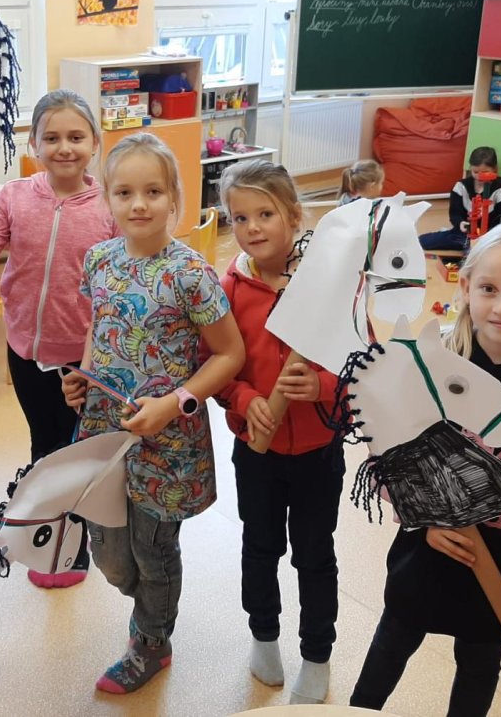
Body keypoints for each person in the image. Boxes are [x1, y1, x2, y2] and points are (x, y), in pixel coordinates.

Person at [350, 221, 501, 716]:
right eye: (488, 289)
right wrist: (424, 517)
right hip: (425, 555)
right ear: (464, 287)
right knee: (391, 644)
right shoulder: (429, 366)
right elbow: (388, 453)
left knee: (479, 665)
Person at [62, 133, 244, 694]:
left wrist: (174, 403)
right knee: (112, 554)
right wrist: (84, 375)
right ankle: (149, 609)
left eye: (153, 192)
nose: (138, 204)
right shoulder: (99, 260)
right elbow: (100, 325)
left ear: (174, 198)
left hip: (169, 444)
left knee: (152, 548)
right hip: (104, 432)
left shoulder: (191, 273)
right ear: (107, 199)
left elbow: (230, 354)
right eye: (124, 193)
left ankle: (151, 641)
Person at [0, 90, 116, 589]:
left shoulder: (109, 206)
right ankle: (49, 541)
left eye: (76, 137)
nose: (64, 147)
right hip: (26, 352)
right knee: (45, 447)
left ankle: (75, 545)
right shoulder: (13, 196)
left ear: (95, 143)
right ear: (33, 144)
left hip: (85, 359)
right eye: (52, 137)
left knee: (77, 453)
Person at [216, 160, 344, 705]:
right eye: (240, 217)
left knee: (314, 554)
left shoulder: (331, 285)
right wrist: (245, 399)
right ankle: (263, 637)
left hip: (318, 451)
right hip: (257, 450)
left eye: (265, 214)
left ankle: (317, 654)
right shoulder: (228, 288)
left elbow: (363, 365)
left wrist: (322, 387)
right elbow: (216, 366)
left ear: (294, 216)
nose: (253, 227)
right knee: (260, 545)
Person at [419, 146, 501, 252]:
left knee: (480, 251)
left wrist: (495, 234)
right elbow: (455, 214)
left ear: (494, 169)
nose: (479, 176)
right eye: (475, 172)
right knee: (423, 241)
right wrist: (460, 223)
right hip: (464, 235)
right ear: (470, 168)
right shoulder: (461, 186)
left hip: (490, 238)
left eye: (485, 172)